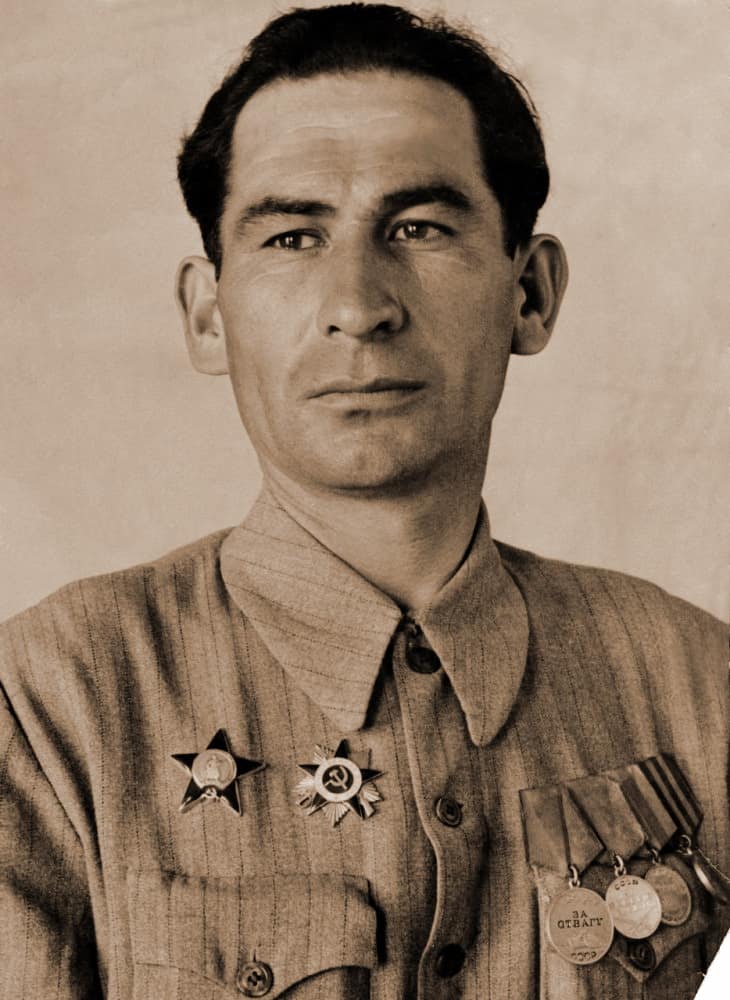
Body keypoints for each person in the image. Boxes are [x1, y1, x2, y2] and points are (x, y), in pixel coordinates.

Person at [0, 4, 726, 998]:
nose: (358, 305)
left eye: (419, 228)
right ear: (208, 316)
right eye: (292, 236)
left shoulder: (705, 691)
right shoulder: (50, 708)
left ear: (530, 295)